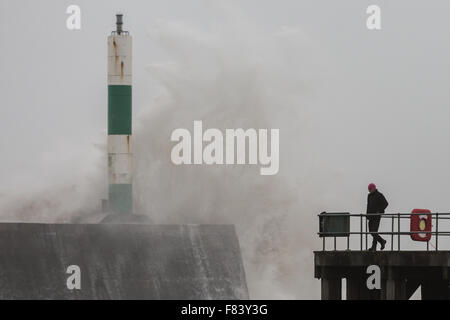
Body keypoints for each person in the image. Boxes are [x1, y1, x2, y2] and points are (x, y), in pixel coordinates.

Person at [366, 183, 388, 251]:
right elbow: (368, 205)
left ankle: (374, 247)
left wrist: (379, 211)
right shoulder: (369, 196)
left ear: (374, 188)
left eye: (370, 189)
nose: (369, 190)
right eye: (369, 189)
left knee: (374, 231)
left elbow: (386, 203)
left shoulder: (379, 195)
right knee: (371, 231)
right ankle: (382, 241)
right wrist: (367, 215)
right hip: (370, 216)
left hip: (376, 216)